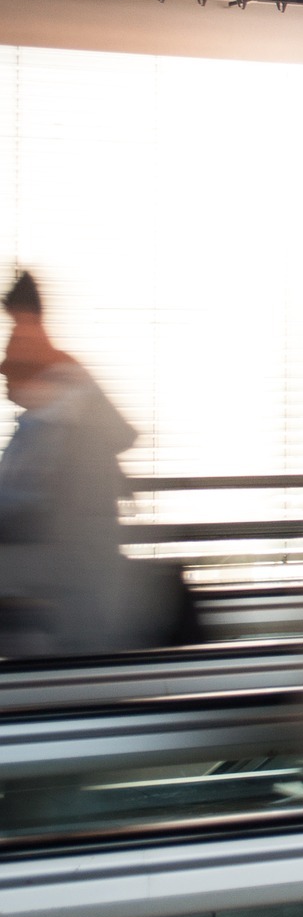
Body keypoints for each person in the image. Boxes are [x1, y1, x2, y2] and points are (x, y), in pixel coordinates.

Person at [0, 271, 157, 657]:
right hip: (58, 606)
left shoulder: (64, 433)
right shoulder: (42, 428)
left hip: (68, 617)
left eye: (16, 343)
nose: (4, 367)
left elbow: (31, 514)